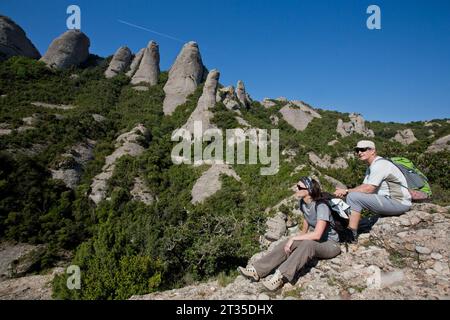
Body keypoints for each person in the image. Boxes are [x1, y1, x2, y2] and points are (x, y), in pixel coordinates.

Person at [238, 177, 341, 291]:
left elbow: (317, 235)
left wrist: (296, 238)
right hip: (318, 241)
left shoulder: (321, 206)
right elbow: (306, 221)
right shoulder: (303, 203)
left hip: (331, 244)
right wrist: (295, 239)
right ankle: (256, 270)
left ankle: (280, 277)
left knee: (307, 244)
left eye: (300, 187)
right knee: (289, 241)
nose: (296, 188)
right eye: (297, 186)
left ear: (309, 190)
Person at [334, 140, 412, 241]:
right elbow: (364, 186)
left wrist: (347, 191)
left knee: (353, 197)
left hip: (398, 202)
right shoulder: (372, 166)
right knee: (351, 196)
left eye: (363, 149)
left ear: (373, 151)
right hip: (391, 201)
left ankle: (351, 235)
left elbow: (369, 189)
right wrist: (346, 192)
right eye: (357, 150)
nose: (359, 153)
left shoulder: (380, 165)